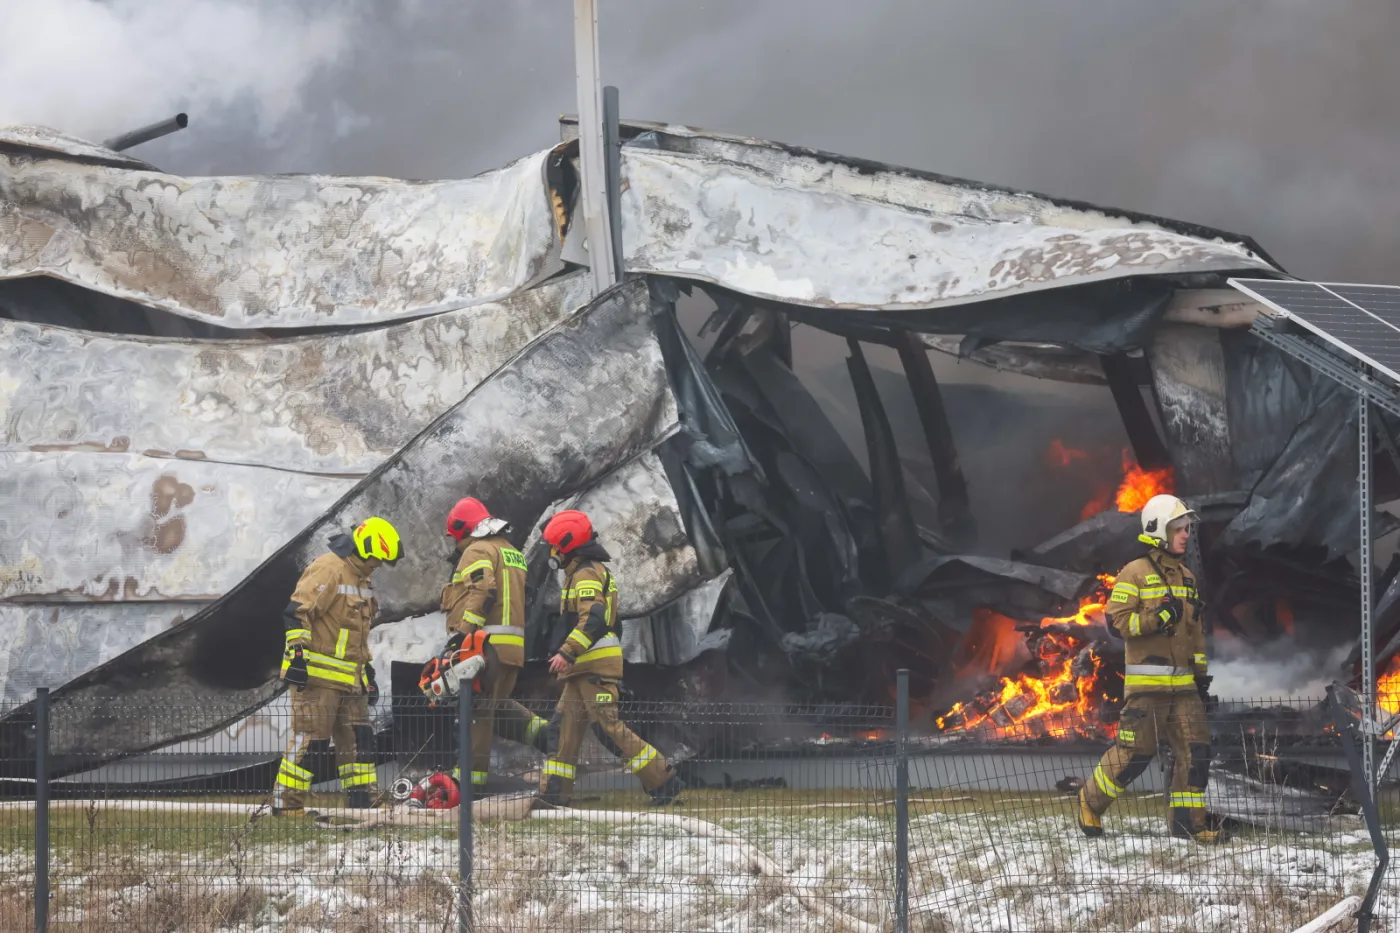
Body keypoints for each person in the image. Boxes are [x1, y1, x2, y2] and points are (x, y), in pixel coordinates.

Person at [1076, 494, 1219, 842]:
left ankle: (1189, 826)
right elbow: (1117, 623)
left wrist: (1201, 679)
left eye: (1187, 529)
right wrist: (1156, 618)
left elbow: (1195, 634)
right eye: (1178, 528)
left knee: (1196, 753)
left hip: (1184, 689)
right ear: (1159, 530)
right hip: (1147, 689)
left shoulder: (1187, 578)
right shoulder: (1134, 573)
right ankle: (1090, 803)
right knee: (1135, 755)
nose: (1185, 535)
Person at [535, 509, 683, 807]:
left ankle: (664, 781)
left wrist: (566, 651)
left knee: (608, 727)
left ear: (568, 547)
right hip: (583, 667)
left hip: (592, 665)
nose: (552, 554)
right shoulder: (582, 572)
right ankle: (554, 795)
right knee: (563, 728)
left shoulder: (586, 573)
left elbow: (594, 617)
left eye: (555, 548)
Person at [273, 517, 402, 815]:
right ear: (365, 549)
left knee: (359, 742)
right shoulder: (329, 568)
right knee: (311, 743)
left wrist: (367, 671)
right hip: (318, 679)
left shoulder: (361, 580)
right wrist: (298, 656)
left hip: (352, 679)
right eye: (377, 559)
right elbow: (297, 613)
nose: (378, 566)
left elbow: (356, 632)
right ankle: (286, 805)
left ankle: (364, 803)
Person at [438, 497, 549, 791]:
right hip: (511, 648)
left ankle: (469, 784)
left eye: (456, 538)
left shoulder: (477, 550)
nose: (456, 545)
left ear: (464, 530)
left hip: (485, 648)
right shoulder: (512, 552)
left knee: (476, 712)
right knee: (495, 707)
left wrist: (463, 635)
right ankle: (550, 736)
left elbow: (484, 590)